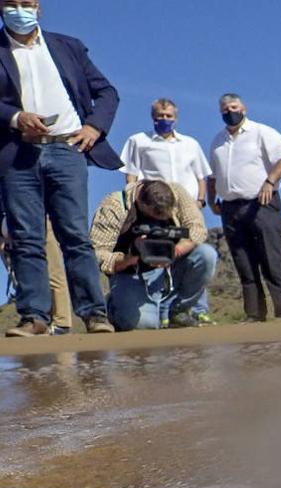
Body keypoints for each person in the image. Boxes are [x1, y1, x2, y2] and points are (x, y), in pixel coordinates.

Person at [0, 0, 120, 337]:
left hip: (68, 150)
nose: (19, 9)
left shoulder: (68, 46)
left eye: (26, 3)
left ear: (37, 7)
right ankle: (34, 317)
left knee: (76, 237)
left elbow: (107, 92)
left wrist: (94, 127)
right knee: (26, 238)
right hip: (17, 155)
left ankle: (95, 314)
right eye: (12, 3)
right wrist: (14, 117)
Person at [119, 98, 214, 324]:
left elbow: (201, 175)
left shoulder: (190, 144)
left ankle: (195, 309)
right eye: (160, 116)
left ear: (176, 118)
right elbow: (131, 172)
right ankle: (159, 309)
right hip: (154, 210)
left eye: (169, 116)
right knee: (159, 255)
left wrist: (200, 200)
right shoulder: (139, 141)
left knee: (199, 253)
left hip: (186, 209)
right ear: (153, 117)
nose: (164, 120)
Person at [206, 93, 281, 321]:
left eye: (233, 107)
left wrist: (270, 181)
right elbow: (213, 176)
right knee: (243, 261)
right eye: (225, 109)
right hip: (230, 208)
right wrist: (212, 200)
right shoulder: (217, 141)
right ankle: (254, 314)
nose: (230, 112)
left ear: (243, 108)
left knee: (271, 258)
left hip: (261, 203)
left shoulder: (262, 132)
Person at [90, 179, 218, 330]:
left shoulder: (177, 192)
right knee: (145, 325)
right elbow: (95, 252)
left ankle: (178, 310)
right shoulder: (115, 206)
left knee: (206, 255)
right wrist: (128, 258)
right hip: (132, 273)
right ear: (141, 202)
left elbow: (197, 228)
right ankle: (113, 306)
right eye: (156, 214)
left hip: (171, 266)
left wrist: (176, 250)